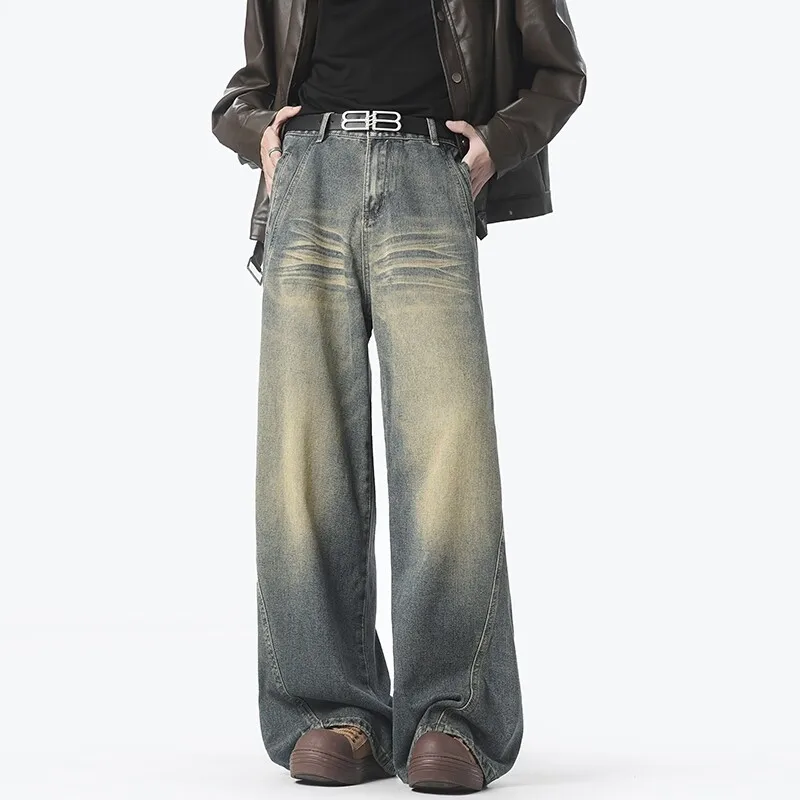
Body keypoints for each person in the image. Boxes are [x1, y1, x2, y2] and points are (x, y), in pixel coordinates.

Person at [211, 0, 585, 791]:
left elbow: (560, 73)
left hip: (428, 169)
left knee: (448, 456)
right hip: (308, 173)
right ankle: (328, 714)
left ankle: (452, 716)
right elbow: (246, 89)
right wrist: (261, 135)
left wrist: (496, 145)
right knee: (302, 456)